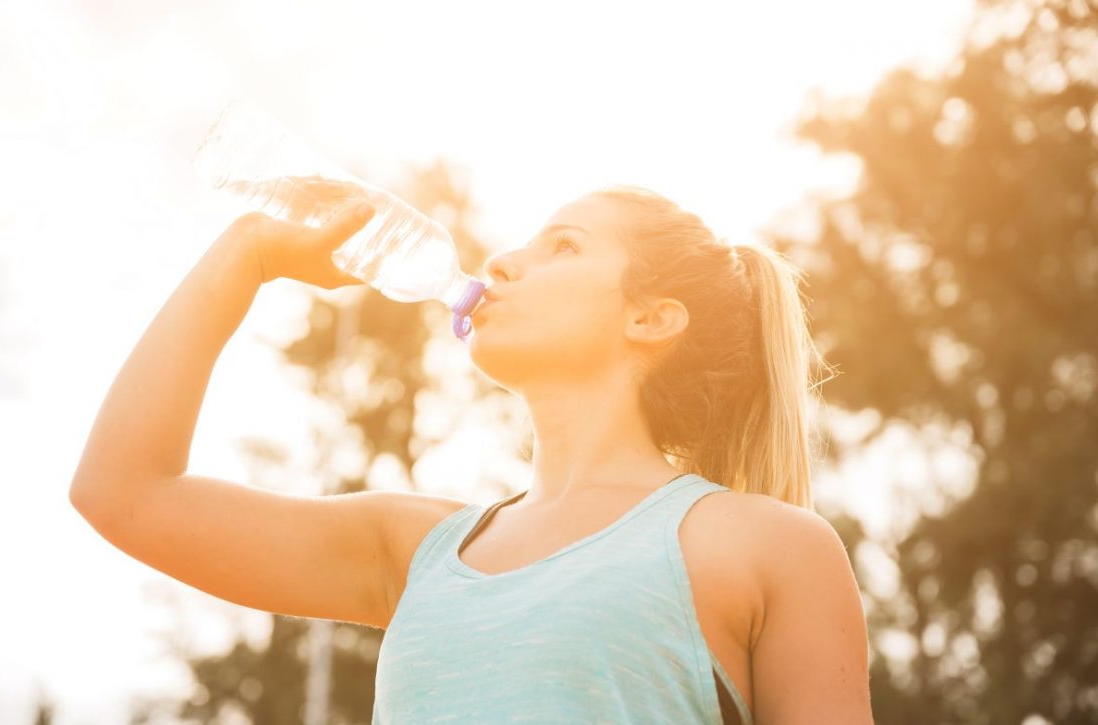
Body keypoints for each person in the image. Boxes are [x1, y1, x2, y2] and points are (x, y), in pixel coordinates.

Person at [69, 183, 873, 724]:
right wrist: (248, 253)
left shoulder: (768, 546)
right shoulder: (415, 549)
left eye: (564, 246)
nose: (501, 262)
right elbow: (123, 490)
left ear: (651, 318)